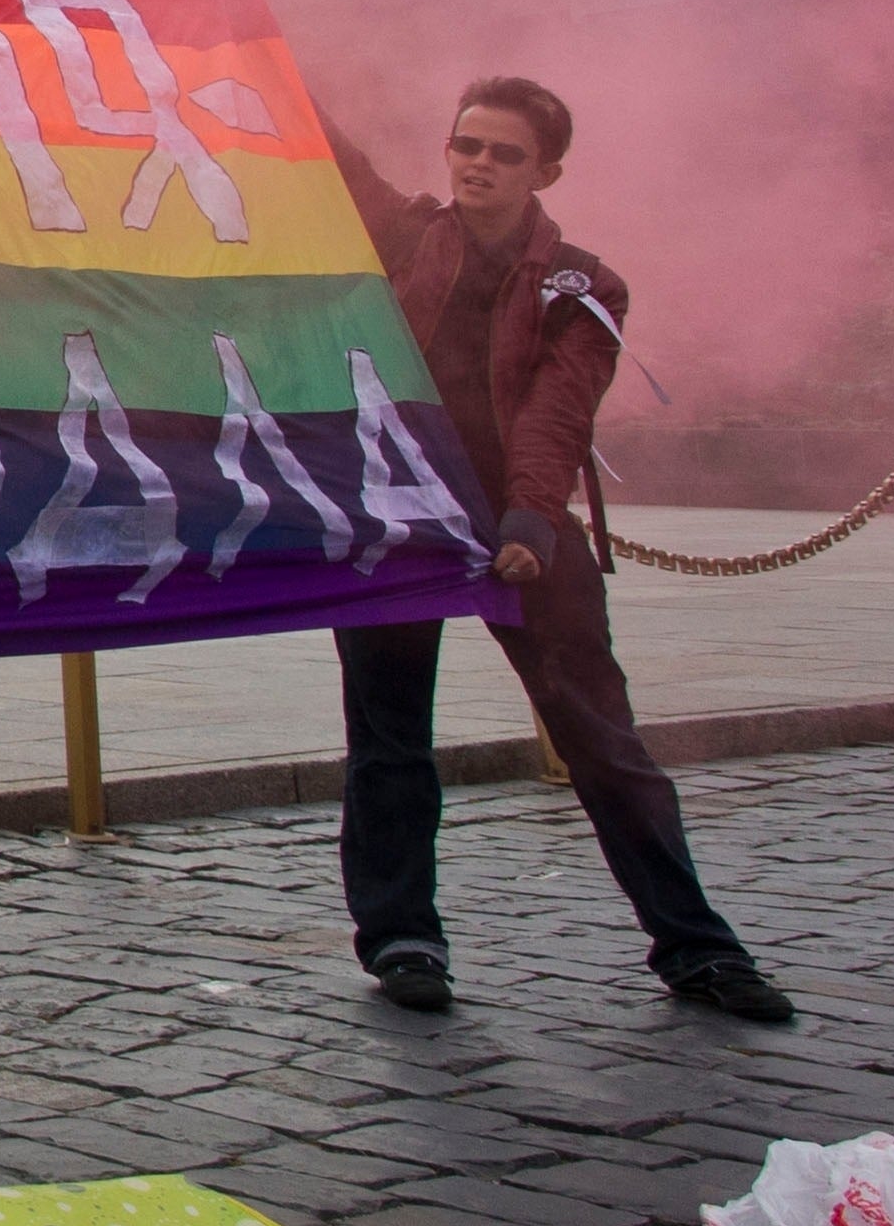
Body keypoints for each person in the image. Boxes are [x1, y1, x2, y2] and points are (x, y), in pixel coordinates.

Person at [313, 67, 792, 1025]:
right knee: (389, 741)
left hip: (520, 524)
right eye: (465, 145)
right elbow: (328, 158)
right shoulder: (404, 233)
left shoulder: (584, 281)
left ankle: (695, 943)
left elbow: (556, 407)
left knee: (602, 739)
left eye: (503, 152)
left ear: (547, 171)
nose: (478, 164)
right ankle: (402, 935)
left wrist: (529, 518)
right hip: (403, 521)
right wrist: (248, 22)